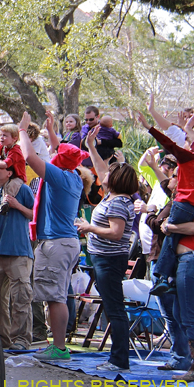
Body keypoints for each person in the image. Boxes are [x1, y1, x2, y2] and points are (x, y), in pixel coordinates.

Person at [19, 111, 85, 362]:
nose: (52, 154)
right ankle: (57, 345)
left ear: (59, 161)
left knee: (55, 298)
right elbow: (62, 150)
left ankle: (59, 347)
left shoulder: (59, 178)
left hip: (57, 243)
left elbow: (29, 157)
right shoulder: (72, 176)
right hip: (63, 242)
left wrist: (24, 131)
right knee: (54, 296)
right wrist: (52, 128)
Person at [75, 128, 138, 371]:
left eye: (110, 174)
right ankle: (117, 357)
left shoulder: (120, 202)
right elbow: (102, 170)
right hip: (103, 259)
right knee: (113, 306)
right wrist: (91, 146)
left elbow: (116, 233)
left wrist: (90, 227)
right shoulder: (112, 196)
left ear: (117, 180)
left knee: (115, 309)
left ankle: (119, 360)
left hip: (110, 261)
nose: (103, 175)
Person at [134, 110, 194, 296]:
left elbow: (169, 143)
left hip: (184, 204)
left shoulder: (188, 158)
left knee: (170, 234)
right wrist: (187, 126)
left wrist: (149, 127)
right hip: (193, 206)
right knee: (173, 235)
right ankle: (167, 277)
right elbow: (189, 137)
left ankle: (163, 276)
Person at [0, 161, 35, 350]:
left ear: (10, 172)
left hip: (19, 252)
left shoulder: (23, 189)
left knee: (20, 299)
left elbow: (34, 215)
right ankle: (1, 340)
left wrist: (17, 205)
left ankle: (21, 340)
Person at [144, 171, 193, 372]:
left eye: (174, 174)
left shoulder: (179, 204)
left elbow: (159, 226)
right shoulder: (174, 200)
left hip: (176, 263)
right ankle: (181, 356)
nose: (169, 178)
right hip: (170, 262)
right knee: (175, 313)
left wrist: (150, 213)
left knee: (177, 314)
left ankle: (182, 356)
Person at [160, 201, 194, 381]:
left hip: (192, 259)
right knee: (180, 313)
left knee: (189, 317)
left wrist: (170, 226)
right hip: (184, 260)